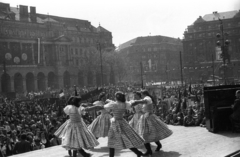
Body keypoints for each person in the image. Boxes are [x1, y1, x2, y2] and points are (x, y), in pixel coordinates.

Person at [84, 91, 144, 157]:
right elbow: (134, 103)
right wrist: (141, 101)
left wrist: (89, 108)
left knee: (112, 140)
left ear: (117, 97)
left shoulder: (114, 104)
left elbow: (100, 107)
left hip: (115, 123)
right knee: (124, 139)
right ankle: (138, 152)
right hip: (122, 122)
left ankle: (137, 152)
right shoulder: (124, 104)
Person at [132, 90, 173, 156]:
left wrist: (136, 101)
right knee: (146, 134)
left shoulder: (147, 98)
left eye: (141, 94)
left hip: (148, 118)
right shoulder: (146, 98)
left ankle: (154, 147)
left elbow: (144, 101)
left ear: (144, 94)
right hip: (145, 117)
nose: (141, 95)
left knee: (149, 134)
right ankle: (149, 150)